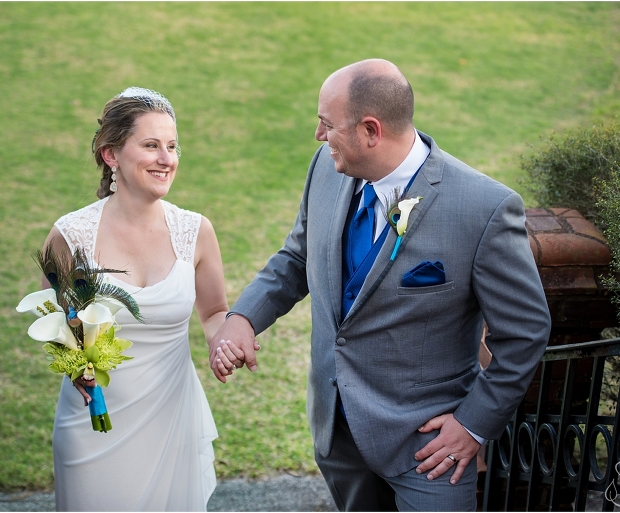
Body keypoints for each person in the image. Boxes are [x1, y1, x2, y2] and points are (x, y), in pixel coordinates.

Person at [209, 59, 551, 511]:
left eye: (327, 124)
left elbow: (524, 332)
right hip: (338, 435)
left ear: (371, 130)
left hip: (430, 449)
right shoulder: (327, 168)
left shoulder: (483, 208)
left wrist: (472, 425)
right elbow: (298, 256)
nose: (318, 135)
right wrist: (243, 317)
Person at [42, 87, 230, 511]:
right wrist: (73, 363)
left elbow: (215, 312)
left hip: (172, 422)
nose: (166, 159)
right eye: (151, 146)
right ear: (111, 154)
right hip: (92, 426)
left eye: (172, 146)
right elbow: (52, 321)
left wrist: (222, 343)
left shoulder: (195, 231)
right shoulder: (71, 235)